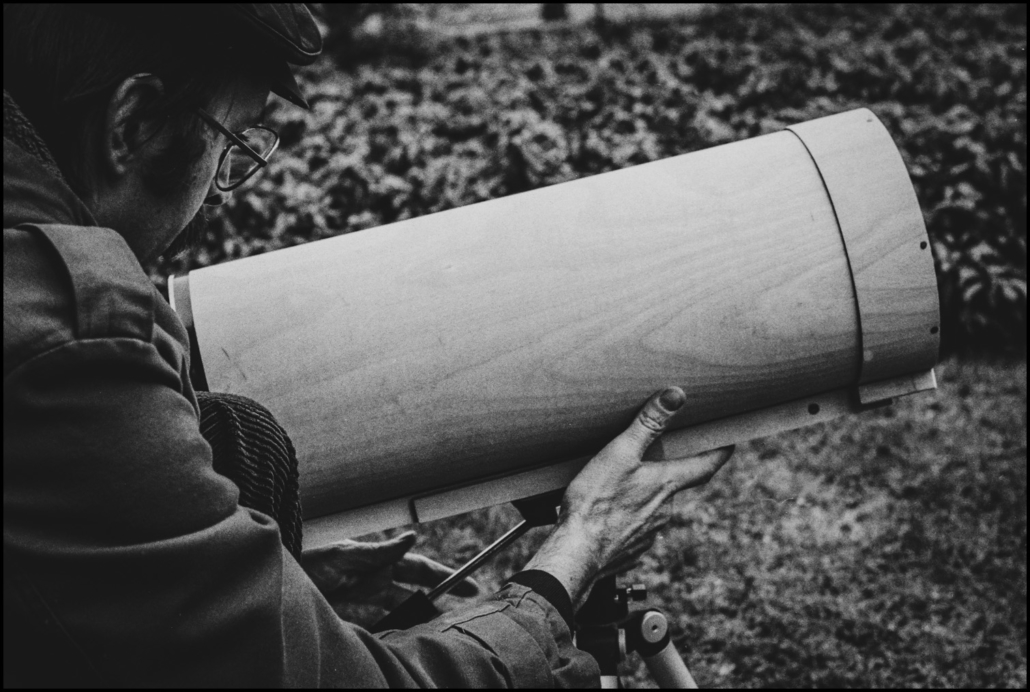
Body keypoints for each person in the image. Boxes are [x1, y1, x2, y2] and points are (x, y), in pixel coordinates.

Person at [3, 4, 733, 687]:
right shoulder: (70, 344)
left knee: (238, 434)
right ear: (131, 123)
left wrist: (243, 569)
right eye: (230, 144)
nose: (220, 192)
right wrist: (568, 564)